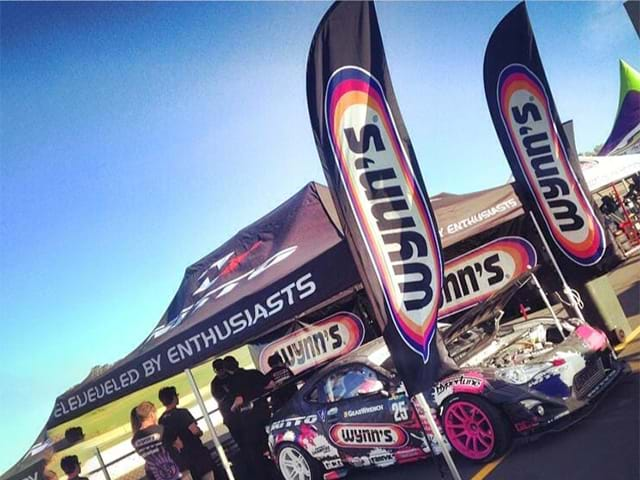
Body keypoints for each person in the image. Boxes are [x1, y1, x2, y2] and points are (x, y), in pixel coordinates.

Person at [223, 356, 271, 480]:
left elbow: (239, 400)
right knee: (270, 441)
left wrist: (232, 408)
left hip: (250, 419)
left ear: (227, 370)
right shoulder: (253, 373)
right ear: (237, 363)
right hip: (265, 412)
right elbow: (270, 384)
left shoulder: (233, 381)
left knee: (256, 451)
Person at [158, 387, 215, 480]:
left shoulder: (161, 420)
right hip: (196, 453)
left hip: (181, 460)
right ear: (174, 398)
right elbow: (195, 431)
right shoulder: (182, 413)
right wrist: (200, 432)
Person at [130, 401, 192, 480]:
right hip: (177, 472)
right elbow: (180, 444)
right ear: (152, 414)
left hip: (159, 476)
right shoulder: (162, 429)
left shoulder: (135, 440)